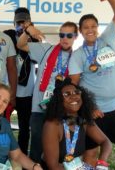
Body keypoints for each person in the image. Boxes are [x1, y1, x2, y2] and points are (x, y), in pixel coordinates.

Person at [69, 0, 115, 169]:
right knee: (90, 151)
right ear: (81, 31)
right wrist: (88, 107)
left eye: (93, 26)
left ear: (97, 28)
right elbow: (73, 86)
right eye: (85, 27)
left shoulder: (107, 39)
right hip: (95, 110)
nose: (90, 30)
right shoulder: (77, 55)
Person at [17, 21, 78, 162]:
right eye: (62, 35)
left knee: (56, 147)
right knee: (37, 145)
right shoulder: (46, 49)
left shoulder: (77, 57)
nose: (65, 38)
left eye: (69, 35)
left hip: (60, 109)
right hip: (39, 107)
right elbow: (20, 45)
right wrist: (27, 32)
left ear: (75, 36)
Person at [41, 77, 111, 169]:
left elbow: (105, 142)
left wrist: (102, 162)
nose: (74, 96)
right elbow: (53, 166)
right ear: (59, 100)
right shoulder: (52, 125)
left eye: (76, 92)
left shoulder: (83, 120)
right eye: (67, 94)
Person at [3, 7, 38, 155]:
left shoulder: (35, 39)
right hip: (7, 90)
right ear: (14, 22)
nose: (22, 25)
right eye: (19, 22)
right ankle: (4, 153)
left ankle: (22, 156)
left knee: (25, 128)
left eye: (26, 22)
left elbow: (37, 59)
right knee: (3, 126)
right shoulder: (6, 37)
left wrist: (31, 36)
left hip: (27, 92)